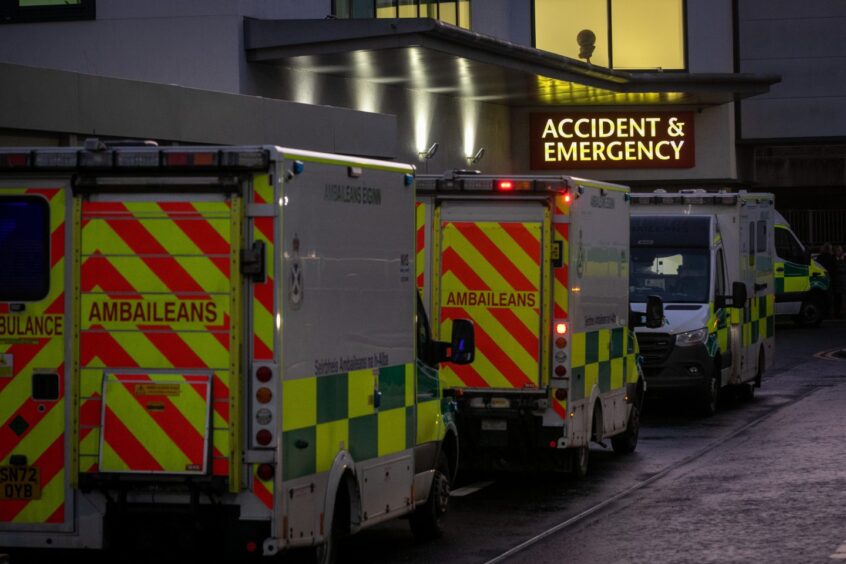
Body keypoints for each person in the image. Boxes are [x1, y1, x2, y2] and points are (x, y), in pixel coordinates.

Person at [834, 245, 846, 318]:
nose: (838, 252)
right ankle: (838, 313)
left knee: (843, 297)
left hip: (843, 281)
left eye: (839, 250)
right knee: (837, 298)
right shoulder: (834, 259)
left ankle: (842, 312)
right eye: (837, 250)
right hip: (837, 282)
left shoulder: (844, 259)